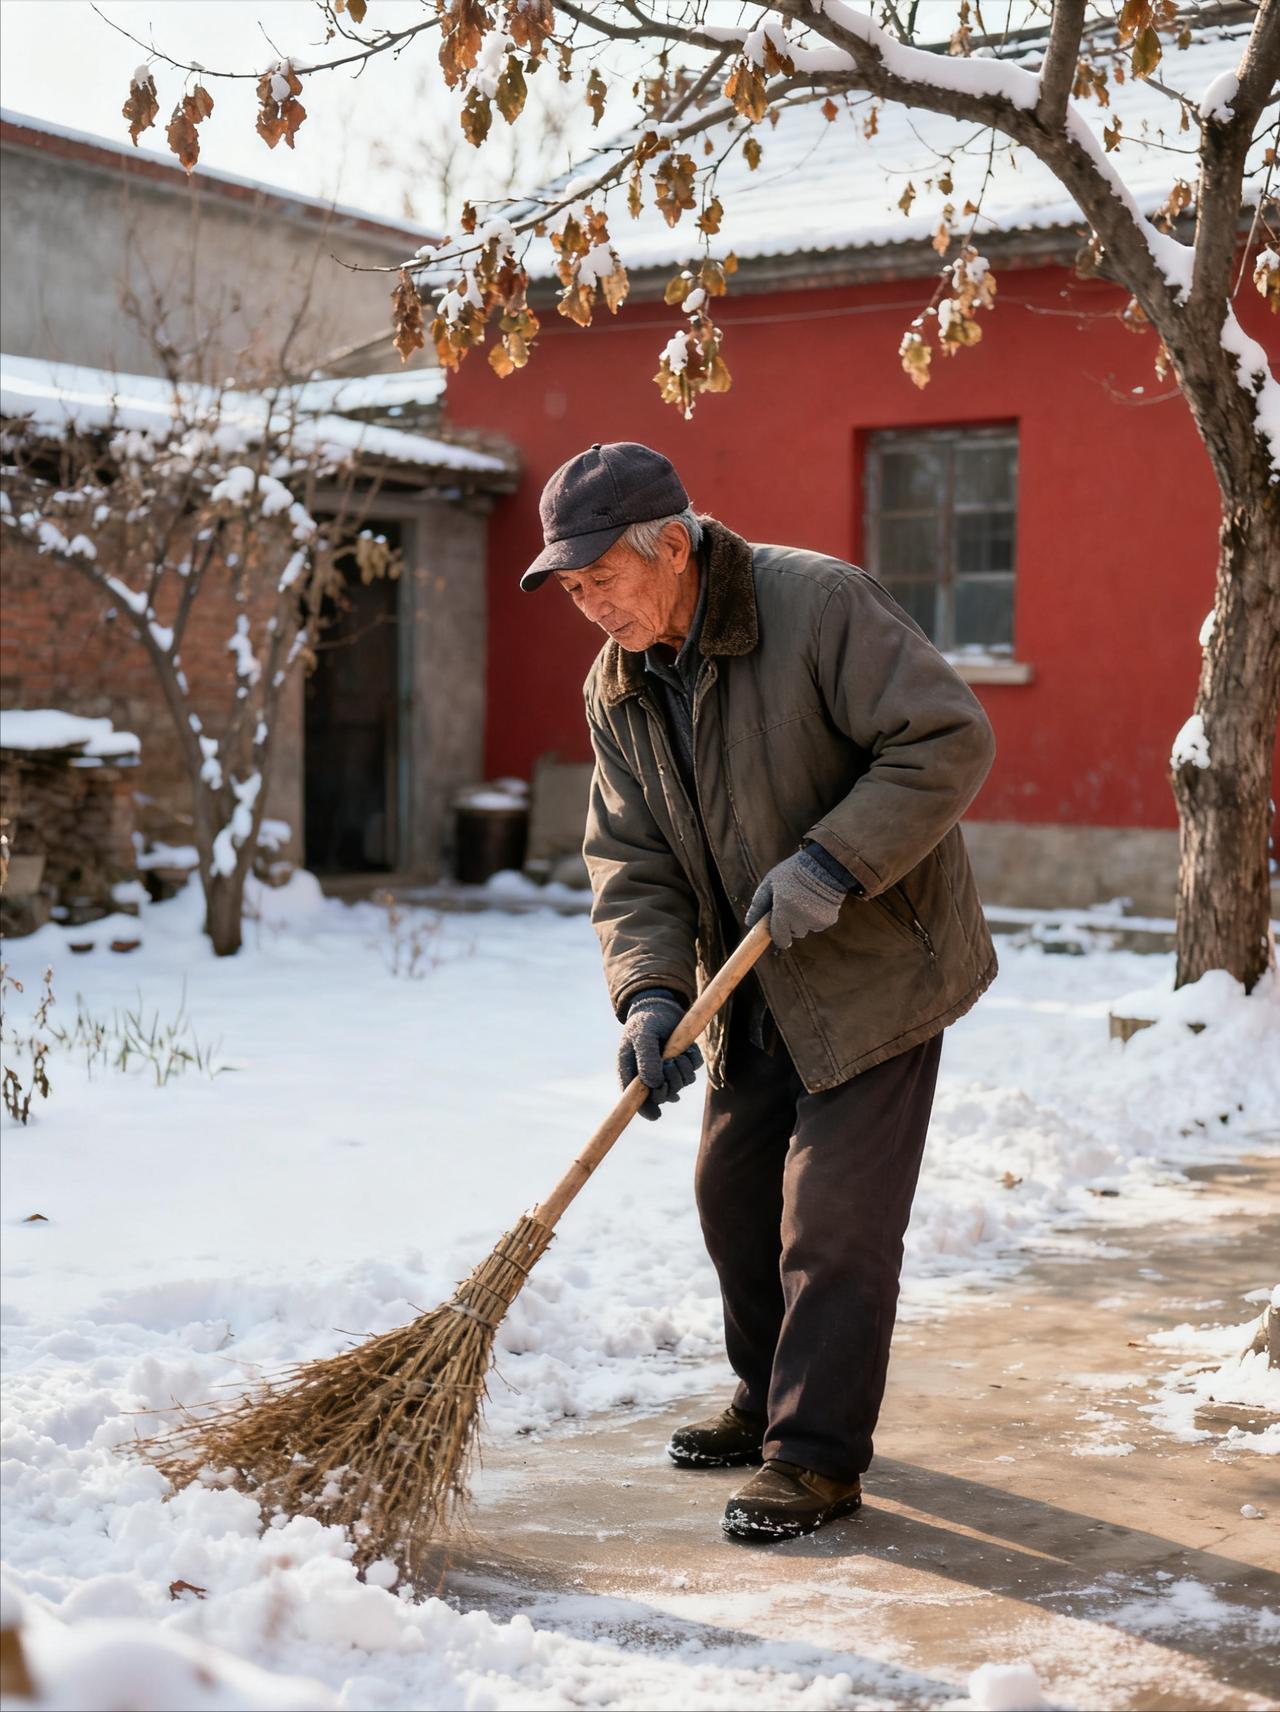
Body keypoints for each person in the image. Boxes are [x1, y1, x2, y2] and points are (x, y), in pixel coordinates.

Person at [520, 442, 997, 1540]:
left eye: (601, 580)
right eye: (573, 588)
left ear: (673, 547)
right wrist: (647, 995)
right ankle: (766, 1391)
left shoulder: (817, 605)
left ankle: (814, 1454)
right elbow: (628, 858)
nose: (589, 607)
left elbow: (944, 738)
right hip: (750, 982)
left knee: (830, 1221)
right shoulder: (620, 685)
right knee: (731, 1195)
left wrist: (834, 860)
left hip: (878, 962)